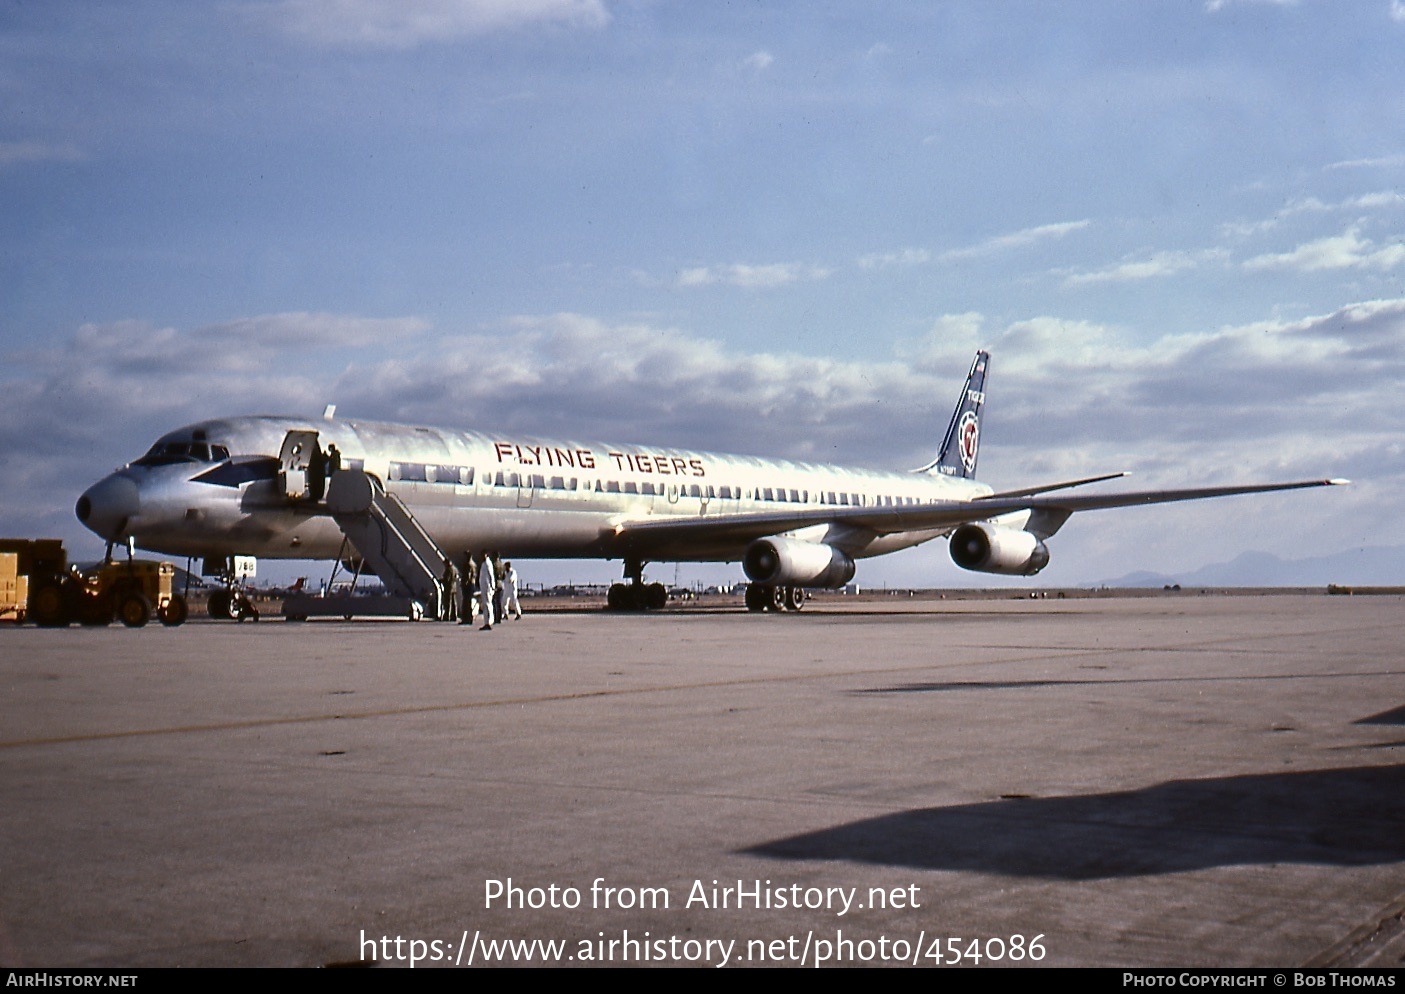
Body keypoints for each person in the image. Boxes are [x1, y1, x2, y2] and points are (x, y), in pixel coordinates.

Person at [477, 552, 496, 630]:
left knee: (487, 605)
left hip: (487, 588)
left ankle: (488, 622)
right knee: (486, 605)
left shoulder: (488, 563)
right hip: (484, 587)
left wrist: (492, 586)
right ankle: (487, 622)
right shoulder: (484, 564)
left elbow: (491, 575)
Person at [459, 552, 476, 626]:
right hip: (472, 584)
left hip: (468, 585)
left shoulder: (468, 564)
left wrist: (464, 583)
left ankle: (466, 618)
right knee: (468, 602)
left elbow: (468, 575)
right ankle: (469, 618)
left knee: (466, 602)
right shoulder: (473, 564)